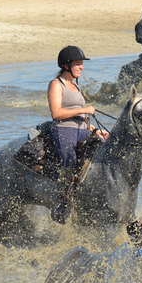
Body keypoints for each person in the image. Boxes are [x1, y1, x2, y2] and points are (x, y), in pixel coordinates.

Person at [47, 45, 106, 223]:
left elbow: (81, 117)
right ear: (66, 65)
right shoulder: (56, 84)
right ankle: (62, 202)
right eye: (78, 64)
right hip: (63, 129)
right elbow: (56, 113)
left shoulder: (75, 86)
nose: (81, 67)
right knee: (70, 160)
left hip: (82, 129)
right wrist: (84, 109)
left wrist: (96, 130)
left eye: (82, 64)